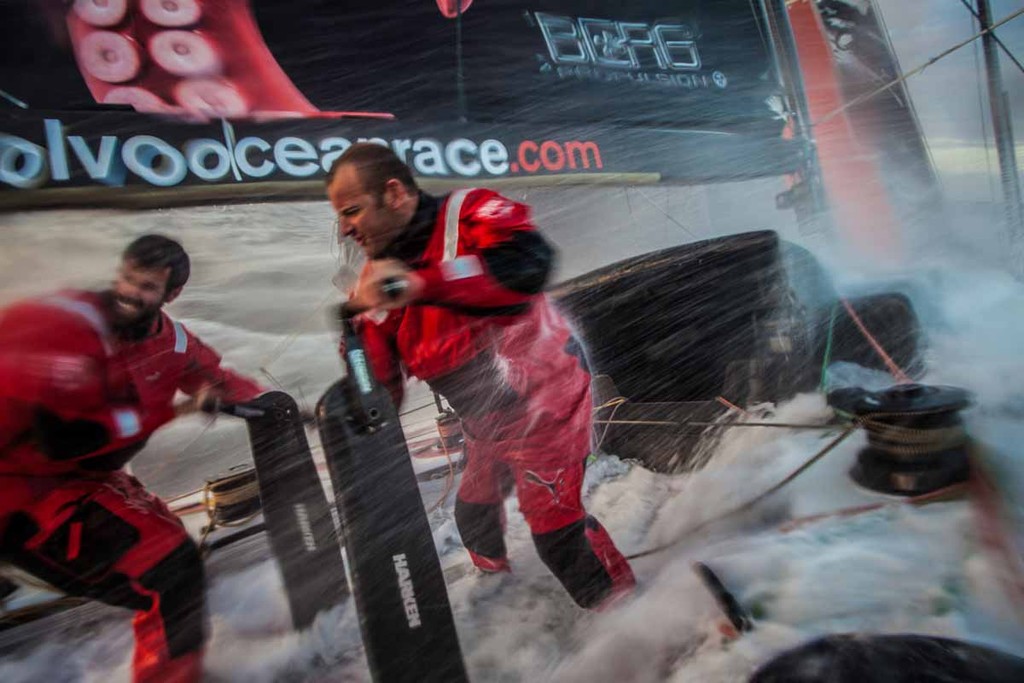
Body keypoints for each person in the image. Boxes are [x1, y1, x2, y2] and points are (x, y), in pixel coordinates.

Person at [326, 143, 635, 609]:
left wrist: (419, 284)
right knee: (474, 518)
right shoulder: (375, 280)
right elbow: (381, 390)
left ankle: (628, 614)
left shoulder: (468, 213)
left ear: (393, 194)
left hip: (546, 406)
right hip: (486, 423)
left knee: (557, 535)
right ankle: (496, 602)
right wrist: (357, 371)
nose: (346, 228)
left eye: (352, 211)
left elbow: (528, 265)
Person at [0, 234, 263, 682]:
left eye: (145, 287)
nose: (128, 293)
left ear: (172, 295)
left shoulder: (174, 342)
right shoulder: (65, 325)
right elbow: (64, 438)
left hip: (82, 481)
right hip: (22, 491)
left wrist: (286, 411)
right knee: (172, 574)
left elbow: (215, 380)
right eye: (126, 278)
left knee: (168, 533)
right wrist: (173, 411)